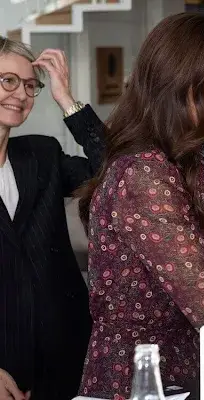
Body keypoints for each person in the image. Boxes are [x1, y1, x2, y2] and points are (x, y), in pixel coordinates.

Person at [75, 13, 204, 398]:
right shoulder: (145, 174)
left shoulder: (184, 161)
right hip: (139, 382)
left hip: (179, 372)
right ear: (174, 82)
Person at [0, 37, 102, 400]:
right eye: (7, 80)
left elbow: (119, 174)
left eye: (31, 85)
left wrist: (67, 100)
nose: (21, 94)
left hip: (68, 354)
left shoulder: (42, 153)